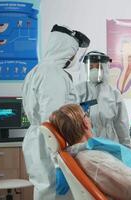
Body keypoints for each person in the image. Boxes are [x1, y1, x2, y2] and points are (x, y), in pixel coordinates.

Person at [22, 24, 90, 200]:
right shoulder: (53, 73)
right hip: (50, 144)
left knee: (44, 190)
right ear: (66, 49)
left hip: (39, 140)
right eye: (73, 52)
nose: (73, 57)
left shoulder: (37, 71)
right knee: (52, 193)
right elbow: (53, 122)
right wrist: (58, 164)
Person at [76, 51, 131, 149]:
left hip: (110, 144)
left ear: (105, 69)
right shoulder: (78, 91)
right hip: (87, 145)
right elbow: (71, 122)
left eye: (98, 67)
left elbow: (121, 124)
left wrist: (127, 148)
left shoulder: (114, 94)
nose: (94, 70)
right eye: (91, 67)